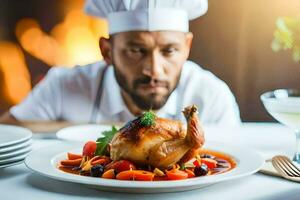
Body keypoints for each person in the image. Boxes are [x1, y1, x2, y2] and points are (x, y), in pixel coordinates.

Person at [0, 0, 241, 125]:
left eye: (169, 51)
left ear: (186, 48)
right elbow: (7, 134)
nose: (154, 69)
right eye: (136, 50)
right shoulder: (63, 86)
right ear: (107, 51)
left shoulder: (212, 96)